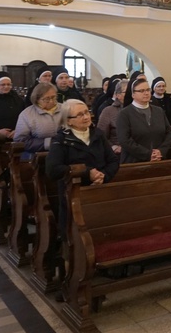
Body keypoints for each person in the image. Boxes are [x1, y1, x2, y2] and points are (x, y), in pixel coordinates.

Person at [46, 99, 120, 237]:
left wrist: (104, 175)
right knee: (77, 235)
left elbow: (113, 161)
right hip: (73, 195)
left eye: (87, 112)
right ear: (68, 121)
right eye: (79, 115)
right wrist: (87, 173)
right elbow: (53, 169)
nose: (86, 117)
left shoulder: (97, 134)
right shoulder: (60, 140)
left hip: (100, 190)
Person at [116, 77, 171, 163]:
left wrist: (161, 151)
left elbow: (169, 132)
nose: (146, 93)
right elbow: (124, 140)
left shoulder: (159, 111)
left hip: (159, 159)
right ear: (133, 94)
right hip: (134, 162)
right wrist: (148, 154)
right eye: (141, 91)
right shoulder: (125, 114)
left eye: (148, 90)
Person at [13, 82, 62, 160]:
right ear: (37, 99)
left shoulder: (65, 109)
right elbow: (20, 141)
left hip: (63, 152)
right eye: (46, 99)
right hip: (37, 155)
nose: (51, 101)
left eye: (54, 97)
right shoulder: (27, 114)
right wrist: (47, 143)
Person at [97, 79, 127, 155]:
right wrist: (114, 147)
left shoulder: (138, 110)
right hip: (118, 153)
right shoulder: (108, 111)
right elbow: (101, 135)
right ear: (118, 95)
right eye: (127, 92)